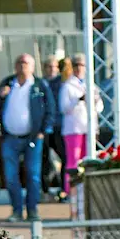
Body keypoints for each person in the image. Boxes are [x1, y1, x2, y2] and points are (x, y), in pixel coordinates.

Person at [0, 53, 56, 221]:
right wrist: (1, 95)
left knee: (33, 175)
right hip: (10, 138)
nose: (22, 65)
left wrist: (43, 131)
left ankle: (32, 210)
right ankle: (17, 210)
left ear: (32, 67)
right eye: (19, 62)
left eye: (26, 62)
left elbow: (51, 109)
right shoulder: (8, 82)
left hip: (33, 138)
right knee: (11, 177)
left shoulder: (39, 85)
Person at [58, 53, 102, 200]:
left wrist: (94, 101)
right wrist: (78, 100)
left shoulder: (91, 85)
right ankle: (69, 190)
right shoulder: (67, 86)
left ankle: (85, 189)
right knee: (73, 160)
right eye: (76, 65)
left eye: (82, 65)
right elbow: (64, 108)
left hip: (88, 127)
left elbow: (101, 107)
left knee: (87, 158)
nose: (79, 68)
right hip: (73, 128)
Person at [41, 55, 67, 197]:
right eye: (49, 67)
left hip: (59, 126)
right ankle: (45, 190)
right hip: (45, 128)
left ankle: (64, 188)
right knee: (43, 159)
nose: (51, 70)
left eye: (54, 67)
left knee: (64, 157)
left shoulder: (62, 83)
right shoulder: (40, 84)